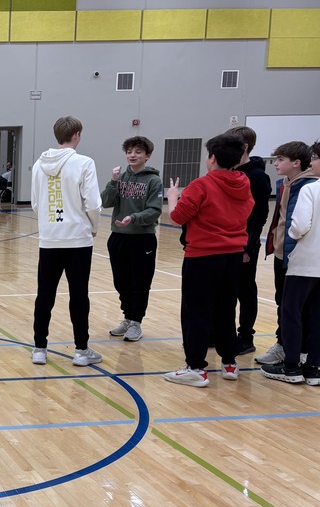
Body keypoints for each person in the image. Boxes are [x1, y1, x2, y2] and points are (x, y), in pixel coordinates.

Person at [162, 133, 254, 387]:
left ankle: (195, 367)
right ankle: (229, 362)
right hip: (233, 256)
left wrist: (172, 196)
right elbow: (248, 210)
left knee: (197, 312)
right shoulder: (243, 182)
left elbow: (178, 217)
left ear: (212, 158)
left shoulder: (201, 185)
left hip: (202, 256)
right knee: (225, 309)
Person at [31, 116, 103, 367]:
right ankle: (81, 351)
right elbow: (93, 202)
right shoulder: (84, 163)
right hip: (77, 241)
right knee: (79, 295)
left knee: (45, 295)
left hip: (49, 239)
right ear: (77, 135)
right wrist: (94, 225)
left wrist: (50, 225)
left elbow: (36, 203)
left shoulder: (39, 164)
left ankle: (39, 348)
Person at [262, 140, 320, 385]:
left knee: (291, 311)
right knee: (316, 314)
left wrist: (293, 241)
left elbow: (297, 226)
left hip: (302, 261)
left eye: (315, 157)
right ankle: (314, 368)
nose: (311, 162)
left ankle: (292, 366)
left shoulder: (309, 188)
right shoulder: (297, 184)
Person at [100, 136, 163, 342]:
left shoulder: (153, 180)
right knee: (121, 282)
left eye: (137, 152)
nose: (132, 155)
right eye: (129, 152)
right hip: (118, 237)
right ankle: (127, 317)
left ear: (147, 156)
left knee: (140, 282)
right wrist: (113, 182)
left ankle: (136, 322)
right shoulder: (121, 178)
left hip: (142, 239)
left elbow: (154, 211)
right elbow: (106, 202)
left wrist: (134, 218)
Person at [226, 127, 273, 356]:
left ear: (244, 147)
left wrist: (247, 246)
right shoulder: (229, 171)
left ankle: (246, 336)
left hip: (244, 244)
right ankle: (223, 333)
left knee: (244, 290)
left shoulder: (256, 176)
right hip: (225, 241)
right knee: (225, 289)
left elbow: (258, 216)